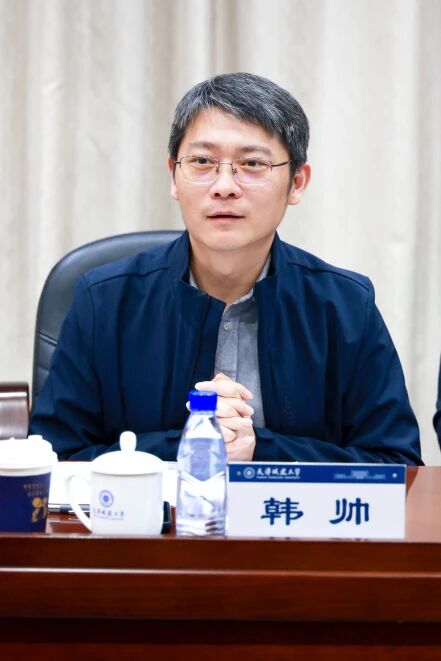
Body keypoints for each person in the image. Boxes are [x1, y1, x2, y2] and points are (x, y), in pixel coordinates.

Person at [30, 72, 422, 465]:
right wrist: (193, 444)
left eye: (252, 163)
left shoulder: (345, 307)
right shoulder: (104, 300)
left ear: (297, 182)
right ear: (173, 175)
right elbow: (53, 456)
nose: (224, 186)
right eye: (202, 161)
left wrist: (258, 449)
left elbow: (397, 464)